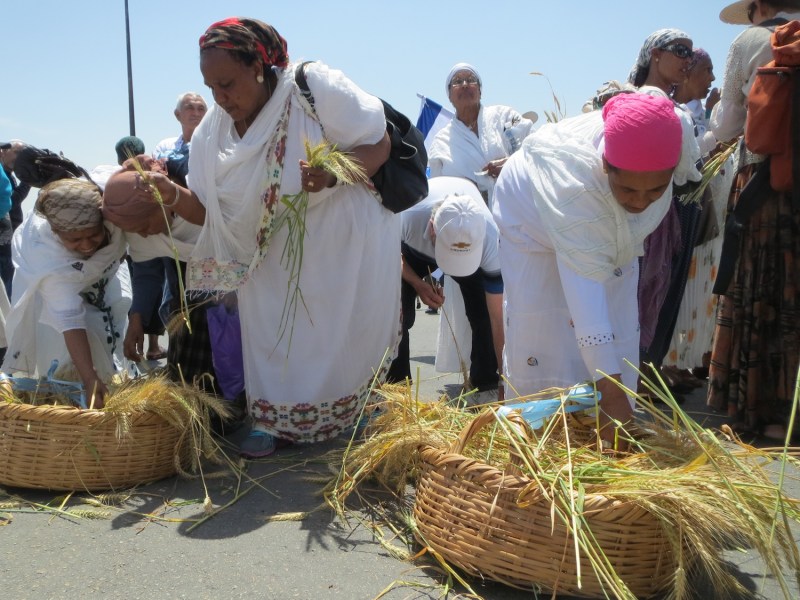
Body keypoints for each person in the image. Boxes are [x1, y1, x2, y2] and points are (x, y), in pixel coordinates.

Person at [131, 17, 399, 457]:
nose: (220, 98)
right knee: (272, 332)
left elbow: (379, 144)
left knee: (338, 331)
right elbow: (207, 213)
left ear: (258, 66)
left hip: (341, 244)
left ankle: (356, 409)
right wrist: (173, 195)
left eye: (228, 84)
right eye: (210, 87)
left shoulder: (314, 88)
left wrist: (333, 174)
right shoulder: (210, 136)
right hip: (267, 256)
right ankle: (272, 419)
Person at [492, 92, 683, 445]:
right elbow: (586, 304)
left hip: (593, 223)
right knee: (547, 325)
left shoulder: (670, 135)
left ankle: (599, 426)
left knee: (617, 310)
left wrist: (620, 391)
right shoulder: (577, 190)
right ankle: (541, 436)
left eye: (655, 191)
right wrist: (611, 395)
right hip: (530, 223)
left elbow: (604, 295)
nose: (640, 203)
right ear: (606, 166)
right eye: (627, 190)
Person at [707, 0, 800, 440]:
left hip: (762, 186)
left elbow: (728, 123)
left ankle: (758, 409)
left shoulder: (748, 41)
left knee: (758, 288)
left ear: (759, 6)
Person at [1, 178, 130, 408]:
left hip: (101, 285)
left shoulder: (114, 215)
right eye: (75, 239)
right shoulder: (47, 258)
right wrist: (90, 378)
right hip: (54, 310)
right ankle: (69, 406)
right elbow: (70, 319)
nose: (87, 245)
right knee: (64, 358)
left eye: (93, 235)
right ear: (56, 232)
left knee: (108, 338)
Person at [628, 29, 704, 396]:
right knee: (653, 290)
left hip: (648, 211)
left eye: (691, 54)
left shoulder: (634, 98)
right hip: (660, 212)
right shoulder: (661, 106)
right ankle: (639, 375)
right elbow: (689, 169)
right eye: (680, 51)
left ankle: (638, 374)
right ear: (655, 54)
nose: (687, 60)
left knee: (640, 290)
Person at [386, 176, 503, 399]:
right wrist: (417, 283)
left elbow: (498, 317)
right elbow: (390, 255)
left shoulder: (490, 238)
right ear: (432, 227)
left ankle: (485, 382)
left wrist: (506, 381)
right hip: (410, 250)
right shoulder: (409, 213)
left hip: (471, 256)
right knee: (399, 312)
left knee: (484, 313)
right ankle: (397, 391)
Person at [663, 49, 730, 388]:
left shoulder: (699, 113)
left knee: (690, 289)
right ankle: (663, 364)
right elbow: (683, 161)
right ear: (686, 73)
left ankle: (679, 362)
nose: (712, 78)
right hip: (676, 213)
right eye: (707, 69)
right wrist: (713, 143)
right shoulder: (673, 113)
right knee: (671, 284)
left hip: (700, 213)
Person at [428, 63, 535, 207]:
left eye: (471, 80)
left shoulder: (505, 117)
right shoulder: (441, 143)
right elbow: (438, 196)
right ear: (449, 96)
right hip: (473, 226)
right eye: (457, 81)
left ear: (480, 90)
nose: (465, 85)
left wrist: (511, 164)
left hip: (521, 211)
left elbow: (535, 149)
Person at [0, 140, 31, 297]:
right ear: (3, 152)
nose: (19, 158)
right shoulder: (3, 175)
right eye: (17, 152)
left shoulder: (9, 176)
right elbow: (12, 200)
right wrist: (28, 179)